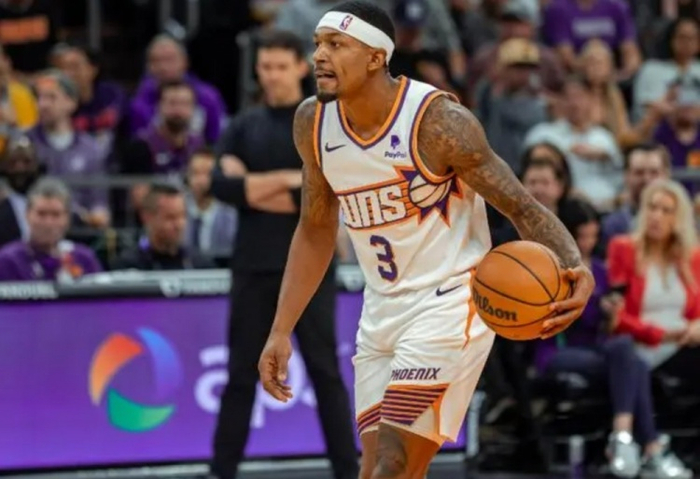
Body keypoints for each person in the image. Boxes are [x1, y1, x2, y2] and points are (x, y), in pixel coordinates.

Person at [257, 3, 595, 478]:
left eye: (336, 44)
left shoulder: (437, 122)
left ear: (375, 57)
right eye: (317, 44)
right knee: (377, 469)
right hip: (381, 309)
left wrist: (573, 263)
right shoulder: (313, 122)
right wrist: (280, 330)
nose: (319, 55)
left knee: (392, 465)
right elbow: (315, 228)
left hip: (450, 300)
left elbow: (519, 204)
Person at [207, 30, 358, 479]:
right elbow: (222, 187)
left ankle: (348, 472)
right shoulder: (243, 126)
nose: (271, 75)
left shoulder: (320, 121)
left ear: (298, 67)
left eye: (279, 66)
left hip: (311, 266)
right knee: (240, 374)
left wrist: (255, 186)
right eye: (265, 67)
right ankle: (221, 471)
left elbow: (323, 195)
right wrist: (292, 181)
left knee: (325, 372)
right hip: (253, 265)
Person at [537, 202, 691, 479]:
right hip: (559, 348)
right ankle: (643, 447)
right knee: (631, 360)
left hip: (596, 349)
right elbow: (560, 316)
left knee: (632, 357)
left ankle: (627, 439)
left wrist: (612, 312)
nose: (587, 242)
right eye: (582, 236)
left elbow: (608, 327)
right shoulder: (551, 270)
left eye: (593, 236)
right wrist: (596, 305)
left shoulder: (599, 268)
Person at [0, 177, 102, 282]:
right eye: (41, 214)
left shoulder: (83, 259)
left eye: (56, 214)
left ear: (67, 218)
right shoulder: (8, 260)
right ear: (27, 215)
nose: (48, 223)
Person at [112, 182, 215, 271]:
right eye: (171, 217)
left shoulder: (200, 265)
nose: (179, 224)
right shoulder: (129, 266)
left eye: (182, 216)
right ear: (147, 217)